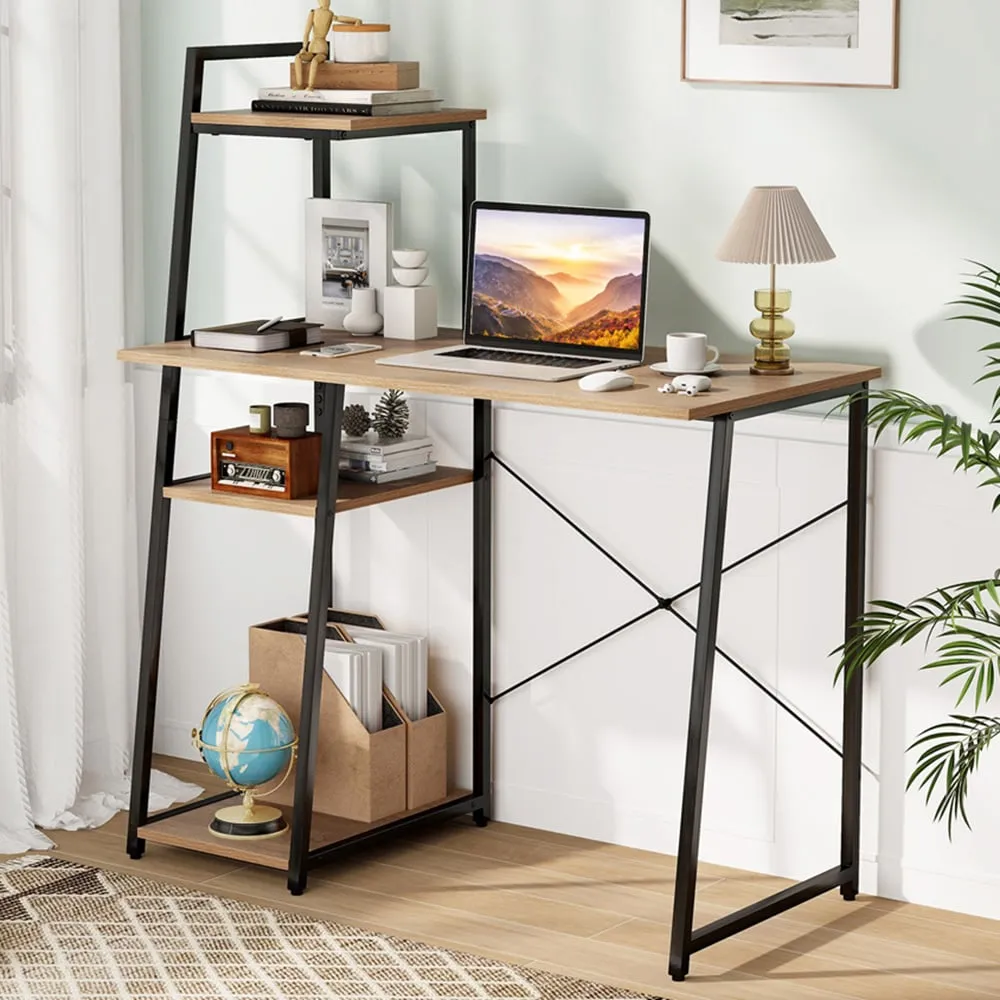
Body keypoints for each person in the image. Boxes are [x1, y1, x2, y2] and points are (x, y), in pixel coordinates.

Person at [294, 1, 362, 91]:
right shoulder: (313, 12)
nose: (326, 2)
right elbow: (306, 32)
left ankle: (310, 85)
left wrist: (355, 20)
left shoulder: (330, 14)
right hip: (312, 47)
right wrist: (304, 47)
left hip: (322, 48)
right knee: (298, 57)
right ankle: (299, 84)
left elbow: (340, 18)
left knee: (315, 61)